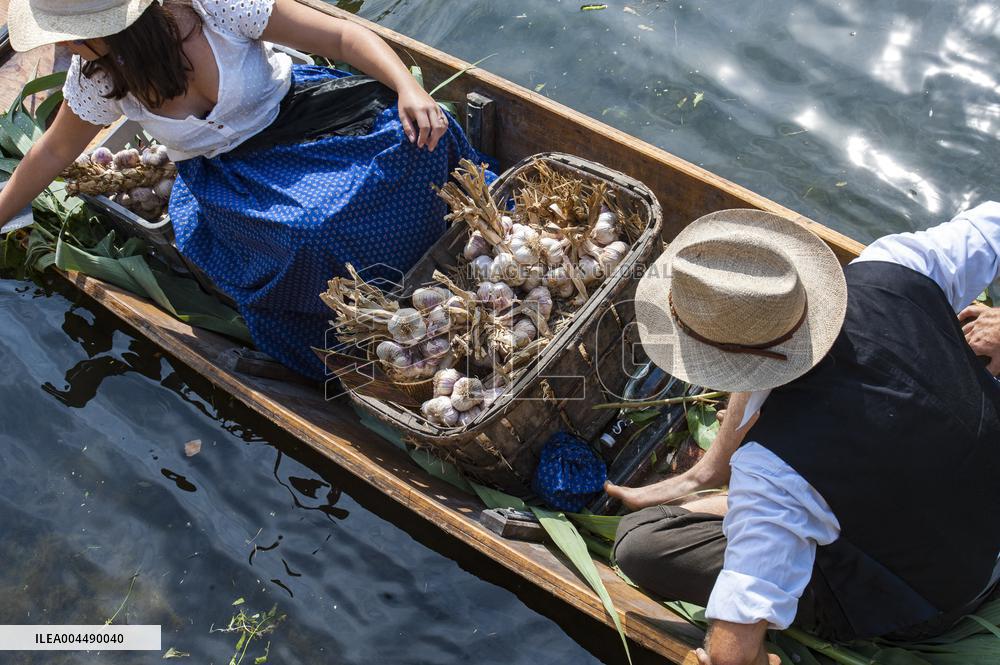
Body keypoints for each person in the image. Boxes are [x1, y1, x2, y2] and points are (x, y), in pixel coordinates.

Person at [1, 0, 490, 380]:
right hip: (234, 179)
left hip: (305, 117)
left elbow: (342, 35)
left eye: (73, 36)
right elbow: (51, 153)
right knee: (310, 237)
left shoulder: (212, 7)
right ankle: (374, 322)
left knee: (424, 137)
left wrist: (410, 88)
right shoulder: (100, 79)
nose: (70, 46)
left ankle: (463, 243)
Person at [605, 203, 1000, 665]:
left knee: (642, 541)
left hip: (945, 593)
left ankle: (768, 516)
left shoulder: (774, 473)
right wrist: (708, 469)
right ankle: (740, 500)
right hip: (972, 479)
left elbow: (735, 648)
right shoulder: (892, 267)